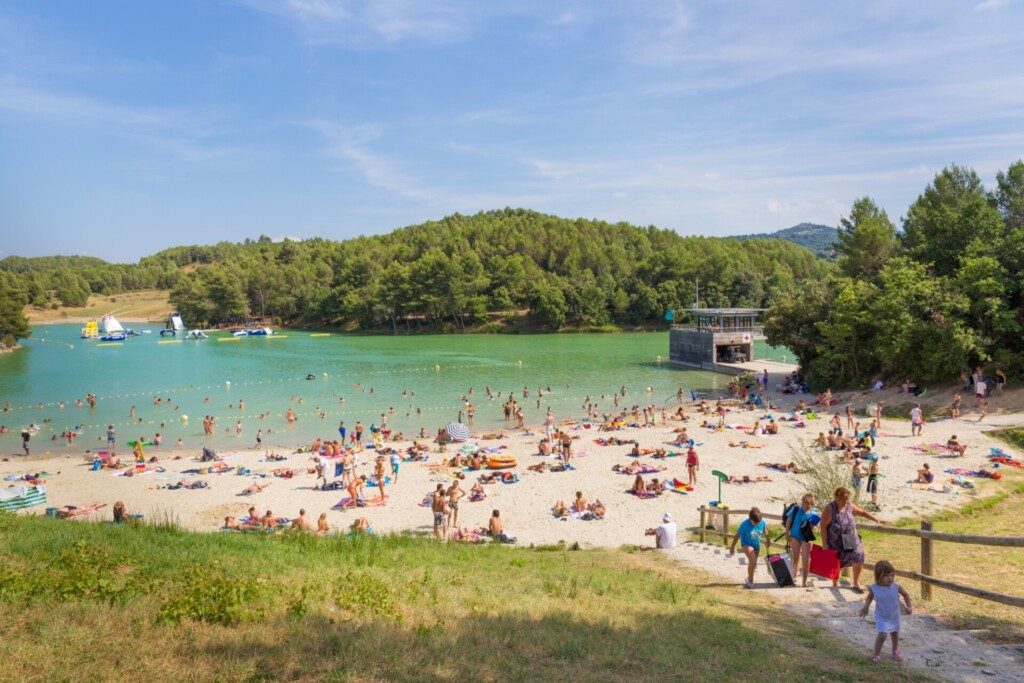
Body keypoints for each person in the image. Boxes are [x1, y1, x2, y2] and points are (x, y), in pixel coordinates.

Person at [820, 487, 886, 591]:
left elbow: (863, 513)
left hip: (849, 537)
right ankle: (835, 582)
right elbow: (823, 526)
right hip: (835, 539)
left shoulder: (849, 505)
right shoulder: (830, 508)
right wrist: (824, 544)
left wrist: (877, 519)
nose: (846, 501)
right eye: (844, 499)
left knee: (859, 554)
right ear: (837, 497)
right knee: (838, 561)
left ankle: (856, 583)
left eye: (847, 499)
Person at [859, 560, 913, 662]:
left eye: (892, 575)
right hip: (881, 616)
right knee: (882, 635)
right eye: (887, 575)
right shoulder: (874, 588)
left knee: (894, 633)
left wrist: (909, 606)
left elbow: (905, 594)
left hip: (894, 616)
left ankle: (895, 651)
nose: (890, 578)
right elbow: (870, 597)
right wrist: (866, 607)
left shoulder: (896, 586)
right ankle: (876, 654)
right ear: (879, 576)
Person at [785, 493, 818, 588]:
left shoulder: (814, 513)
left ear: (811, 503)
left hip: (806, 537)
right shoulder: (796, 509)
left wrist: (813, 526)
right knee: (796, 557)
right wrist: (787, 533)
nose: (805, 506)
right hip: (795, 535)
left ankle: (804, 581)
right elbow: (789, 521)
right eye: (804, 503)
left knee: (806, 558)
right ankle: (794, 577)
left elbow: (815, 526)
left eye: (808, 504)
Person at [730, 508, 767, 588]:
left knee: (753, 564)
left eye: (758, 522)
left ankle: (749, 578)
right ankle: (750, 581)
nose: (757, 524)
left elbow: (764, 530)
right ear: (750, 519)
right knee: (753, 560)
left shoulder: (762, 522)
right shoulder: (745, 524)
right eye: (755, 522)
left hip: (756, 546)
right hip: (746, 544)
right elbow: (737, 536)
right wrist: (732, 547)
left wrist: (768, 539)